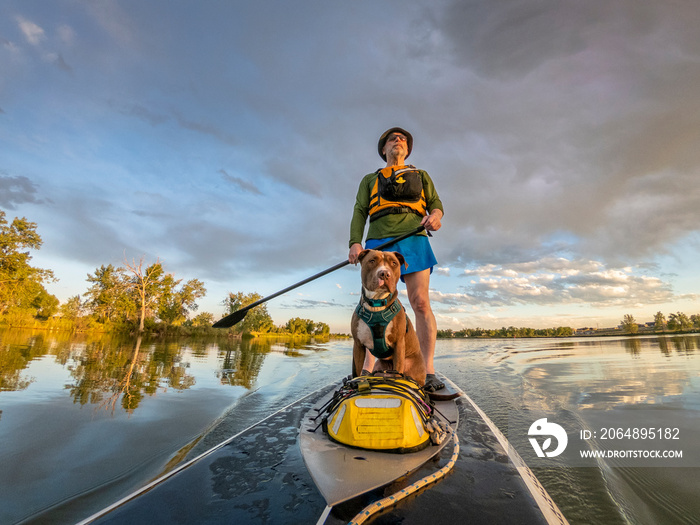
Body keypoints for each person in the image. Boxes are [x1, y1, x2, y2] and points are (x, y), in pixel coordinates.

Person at [348, 127, 445, 392]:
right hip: (379, 240)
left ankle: (428, 370)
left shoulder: (421, 175)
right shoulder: (370, 179)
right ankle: (366, 371)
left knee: (420, 302)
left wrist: (435, 216)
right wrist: (355, 242)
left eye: (402, 139)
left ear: (408, 149)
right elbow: (359, 211)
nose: (398, 141)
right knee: (372, 305)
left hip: (414, 238)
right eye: (392, 139)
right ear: (384, 149)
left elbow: (436, 204)